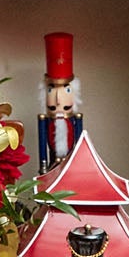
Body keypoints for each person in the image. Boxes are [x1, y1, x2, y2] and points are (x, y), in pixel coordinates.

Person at [37, 31, 84, 170]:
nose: (58, 99)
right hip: (51, 165)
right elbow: (42, 142)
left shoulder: (76, 118)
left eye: (66, 90)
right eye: (51, 90)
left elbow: (80, 141)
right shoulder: (44, 120)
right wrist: (43, 167)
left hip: (73, 165)